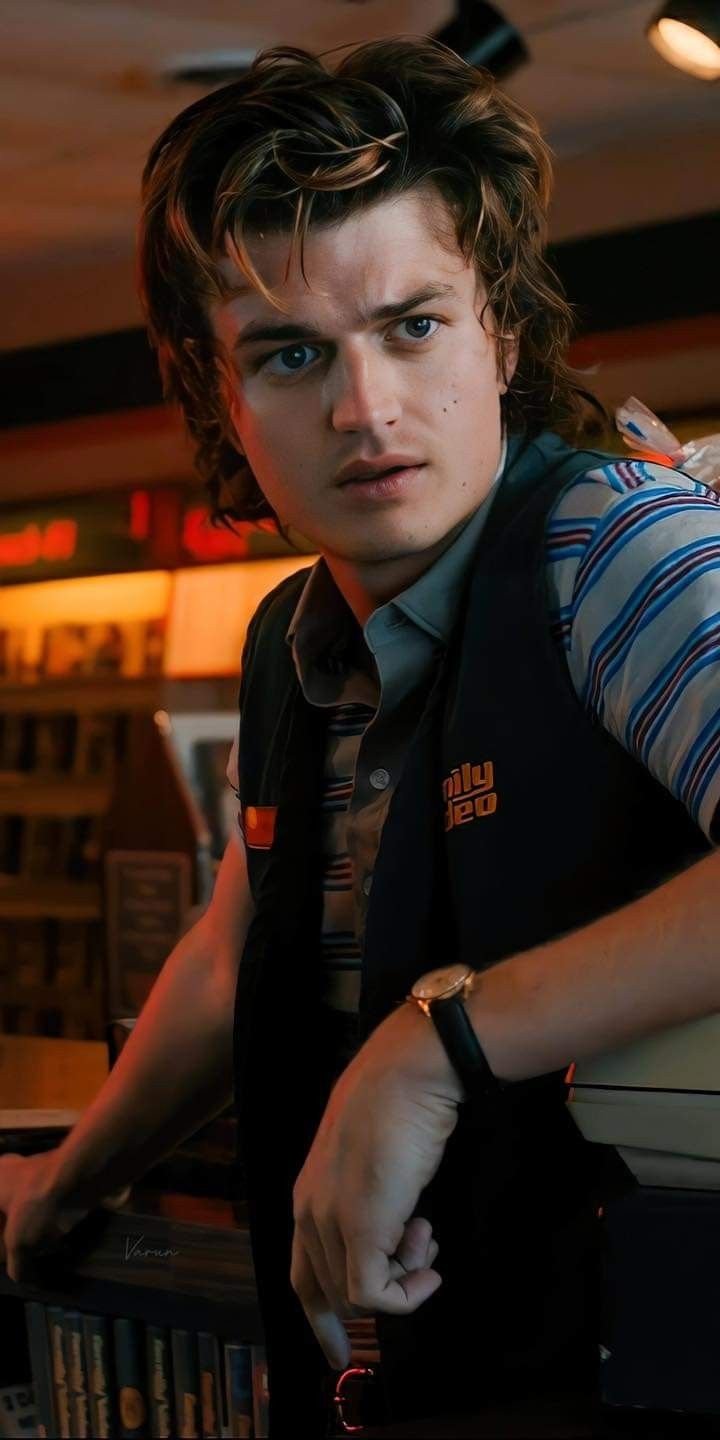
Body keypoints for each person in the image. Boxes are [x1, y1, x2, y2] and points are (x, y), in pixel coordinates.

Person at [2, 37, 720, 1435]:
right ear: (221, 397)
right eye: (289, 355)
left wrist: (434, 1044)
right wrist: (71, 1184)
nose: (364, 408)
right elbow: (232, 951)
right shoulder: (292, 636)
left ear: (502, 333)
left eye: (413, 326)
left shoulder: (618, 552)